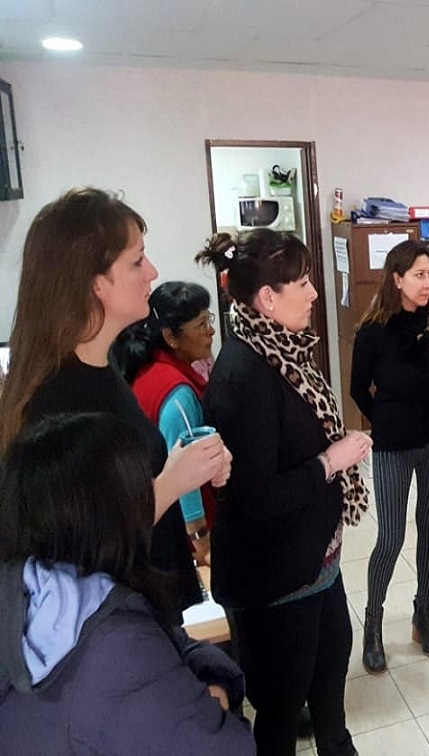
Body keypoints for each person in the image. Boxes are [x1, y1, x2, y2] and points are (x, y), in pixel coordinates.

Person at [0, 187, 231, 624]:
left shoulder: (101, 366)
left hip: (146, 604)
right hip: (115, 628)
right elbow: (83, 545)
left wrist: (191, 466)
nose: (152, 272)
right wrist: (173, 482)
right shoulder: (56, 402)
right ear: (95, 283)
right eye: (137, 261)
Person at [197, 228, 371, 756]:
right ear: (267, 299)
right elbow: (256, 497)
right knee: (280, 714)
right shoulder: (245, 374)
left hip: (316, 562)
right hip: (276, 581)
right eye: (302, 283)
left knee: (331, 693)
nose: (315, 292)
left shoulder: (285, 348)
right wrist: (331, 460)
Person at [0, 412, 254, 755]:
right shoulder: (117, 651)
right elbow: (229, 747)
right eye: (140, 491)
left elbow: (168, 640)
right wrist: (218, 686)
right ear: (107, 518)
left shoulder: (34, 596)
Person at [350, 239, 429, 673]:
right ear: (396, 279)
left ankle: (422, 614)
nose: (426, 283)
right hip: (394, 445)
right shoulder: (373, 331)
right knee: (391, 536)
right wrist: (386, 419)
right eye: (417, 275)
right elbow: (358, 388)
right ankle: (373, 624)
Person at [113, 281, 218, 565]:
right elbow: (187, 470)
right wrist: (201, 540)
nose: (210, 331)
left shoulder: (148, 370)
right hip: (179, 531)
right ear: (171, 337)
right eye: (201, 324)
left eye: (208, 319)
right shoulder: (177, 394)